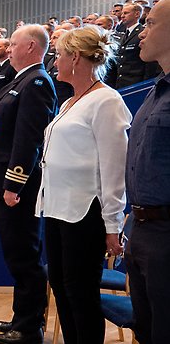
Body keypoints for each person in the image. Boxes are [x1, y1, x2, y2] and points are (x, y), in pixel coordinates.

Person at [38, 26, 130, 344]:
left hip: (84, 211)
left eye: (59, 55)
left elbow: (114, 169)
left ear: (75, 57)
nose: (55, 62)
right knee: (63, 288)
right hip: (57, 208)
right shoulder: (68, 104)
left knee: (81, 293)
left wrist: (112, 224)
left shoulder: (107, 100)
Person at [0, 25, 57, 344]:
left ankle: (30, 326)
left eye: (12, 44)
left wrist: (14, 184)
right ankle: (20, 315)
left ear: (30, 47)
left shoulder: (37, 81)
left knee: (24, 253)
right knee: (14, 252)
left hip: (17, 186)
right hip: (3, 180)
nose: (7, 49)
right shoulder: (19, 79)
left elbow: (28, 140)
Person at [125, 0, 170, 344]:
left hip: (166, 236)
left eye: (151, 23)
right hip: (141, 229)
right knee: (146, 329)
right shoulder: (157, 91)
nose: (142, 31)